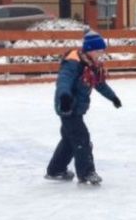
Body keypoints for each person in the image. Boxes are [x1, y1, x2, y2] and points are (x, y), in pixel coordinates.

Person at [46, 30, 121, 185]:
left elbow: (99, 84)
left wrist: (112, 97)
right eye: (99, 51)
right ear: (90, 50)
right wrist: (65, 97)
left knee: (69, 140)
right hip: (68, 106)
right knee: (82, 139)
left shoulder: (92, 65)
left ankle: (56, 170)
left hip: (76, 107)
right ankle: (86, 172)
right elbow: (63, 81)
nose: (101, 54)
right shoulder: (73, 63)